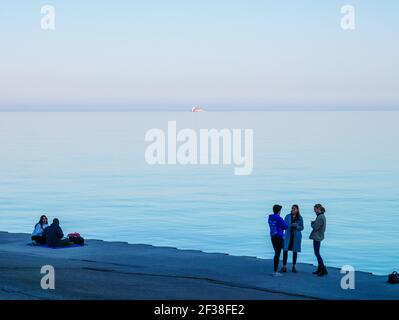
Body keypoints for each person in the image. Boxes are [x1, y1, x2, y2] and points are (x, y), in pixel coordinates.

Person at [281, 205, 304, 273]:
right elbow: (284, 225)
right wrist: (288, 226)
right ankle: (284, 266)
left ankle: (294, 266)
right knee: (285, 250)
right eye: (292, 208)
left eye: (294, 209)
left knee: (295, 251)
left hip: (296, 237)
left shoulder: (300, 217)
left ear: (297, 210)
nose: (292, 210)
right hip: (288, 236)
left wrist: (296, 226)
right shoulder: (287, 216)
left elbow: (302, 228)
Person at [268, 204, 288, 277]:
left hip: (273, 237)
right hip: (279, 237)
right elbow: (286, 226)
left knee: (276, 253)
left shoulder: (270, 218)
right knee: (278, 254)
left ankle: (276, 270)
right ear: (279, 211)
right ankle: (275, 271)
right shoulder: (279, 218)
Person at [310, 204, 327, 276]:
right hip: (319, 236)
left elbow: (315, 227)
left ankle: (323, 269)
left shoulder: (320, 217)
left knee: (317, 253)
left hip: (317, 237)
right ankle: (320, 268)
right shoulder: (321, 216)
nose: (314, 211)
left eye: (315, 209)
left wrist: (312, 223)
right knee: (317, 253)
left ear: (318, 209)